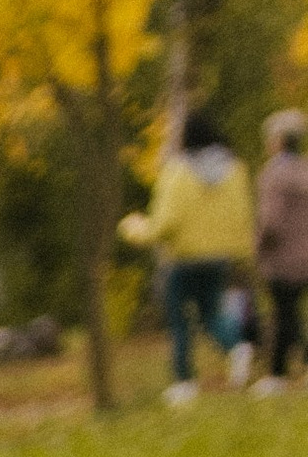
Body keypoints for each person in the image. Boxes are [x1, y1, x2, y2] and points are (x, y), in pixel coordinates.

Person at [123, 110, 257, 400]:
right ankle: (236, 346)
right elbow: (243, 215)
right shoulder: (235, 170)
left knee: (179, 320)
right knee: (212, 313)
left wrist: (134, 229)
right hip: (219, 257)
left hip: (182, 259)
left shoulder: (178, 172)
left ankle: (184, 383)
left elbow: (165, 223)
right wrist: (243, 250)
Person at [252, 111, 308, 390]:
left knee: (284, 315)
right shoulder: (304, 169)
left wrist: (257, 245)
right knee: (291, 314)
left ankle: (276, 375)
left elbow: (270, 222)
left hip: (282, 257)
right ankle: (280, 373)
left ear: (278, 140)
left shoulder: (273, 174)